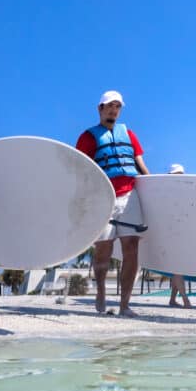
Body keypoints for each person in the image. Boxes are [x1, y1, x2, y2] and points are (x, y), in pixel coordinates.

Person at [75, 90, 150, 318]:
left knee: (131, 248)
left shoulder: (128, 134)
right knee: (103, 250)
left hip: (129, 196)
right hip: (103, 197)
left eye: (117, 106)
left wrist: (154, 187)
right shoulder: (88, 137)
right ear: (100, 108)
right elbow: (81, 169)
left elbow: (140, 164)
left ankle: (125, 304)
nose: (113, 110)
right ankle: (100, 293)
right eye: (109, 106)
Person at [166, 164, 192, 308]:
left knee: (178, 268)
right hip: (171, 235)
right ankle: (185, 300)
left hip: (181, 235)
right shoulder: (166, 193)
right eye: (176, 174)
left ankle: (172, 299)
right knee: (177, 268)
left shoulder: (185, 193)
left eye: (181, 174)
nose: (179, 177)